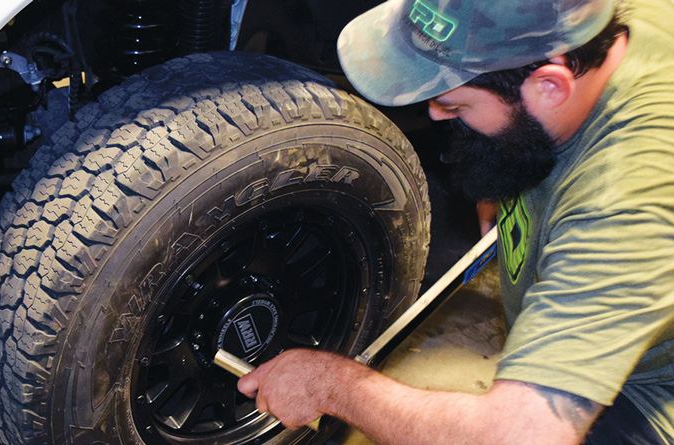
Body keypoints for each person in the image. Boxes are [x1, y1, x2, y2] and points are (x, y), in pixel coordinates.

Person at [237, 0, 674, 442]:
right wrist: (501, 170)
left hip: (647, 387)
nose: (436, 114)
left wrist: (331, 387)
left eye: (456, 106)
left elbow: (521, 435)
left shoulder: (624, 205)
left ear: (549, 86)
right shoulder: (592, 18)